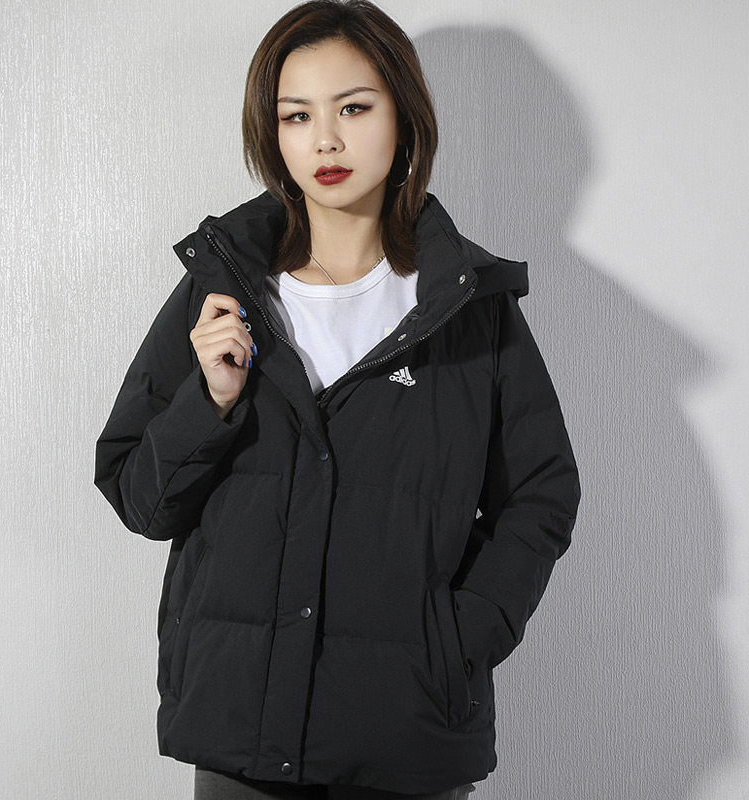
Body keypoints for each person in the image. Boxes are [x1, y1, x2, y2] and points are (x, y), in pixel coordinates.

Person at [94, 1, 581, 798]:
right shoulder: (221, 292)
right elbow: (142, 502)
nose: (325, 140)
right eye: (297, 115)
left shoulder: (465, 307)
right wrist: (210, 400)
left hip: (406, 734)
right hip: (239, 736)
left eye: (353, 108)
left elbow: (541, 493)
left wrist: (458, 641)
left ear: (404, 120)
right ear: (273, 134)